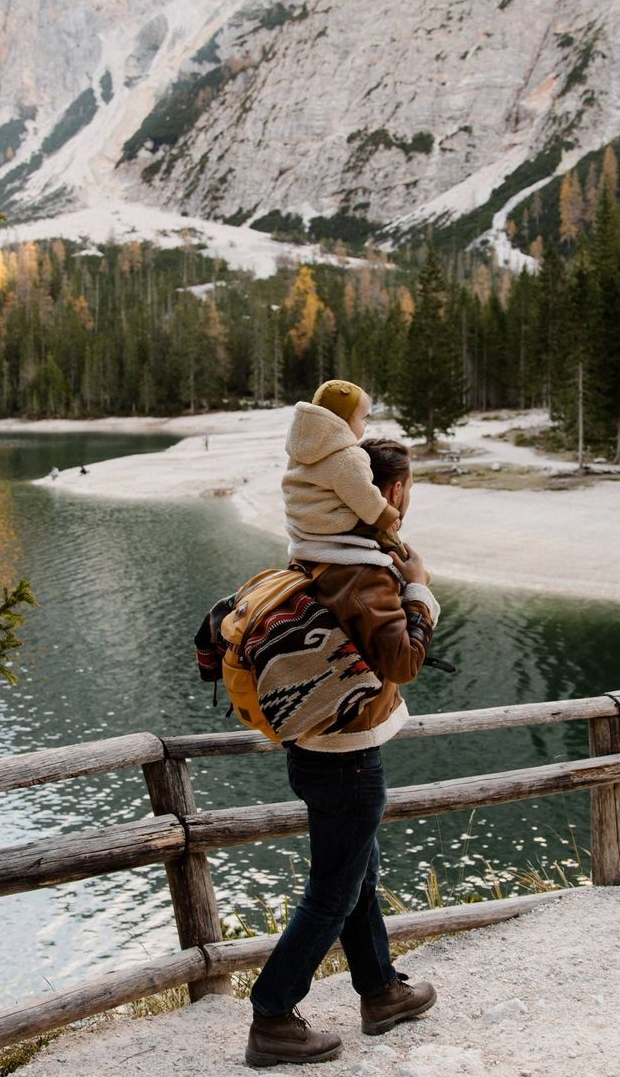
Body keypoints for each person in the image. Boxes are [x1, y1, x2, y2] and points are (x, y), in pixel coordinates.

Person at [246, 437, 439, 1068]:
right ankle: (273, 1015)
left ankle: (380, 990)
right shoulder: (363, 571)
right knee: (332, 890)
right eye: (406, 488)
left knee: (358, 876)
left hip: (315, 746)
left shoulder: (318, 550)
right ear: (392, 492)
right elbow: (402, 661)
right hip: (347, 757)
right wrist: (420, 593)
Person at [282, 380, 408, 561]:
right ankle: (403, 564)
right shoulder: (347, 457)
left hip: (301, 522)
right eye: (363, 419)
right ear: (341, 422)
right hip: (331, 523)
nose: (365, 425)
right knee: (381, 534)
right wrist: (386, 516)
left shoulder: (301, 450)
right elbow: (363, 495)